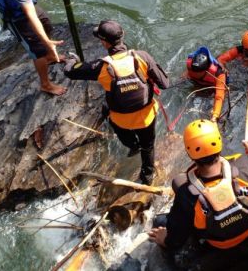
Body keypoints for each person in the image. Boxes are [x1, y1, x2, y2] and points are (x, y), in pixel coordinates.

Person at [148, 119, 248, 270]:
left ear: (190, 153)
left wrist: (166, 240)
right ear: (219, 143)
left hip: (220, 244)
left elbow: (177, 237)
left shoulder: (187, 193)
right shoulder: (245, 165)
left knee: (160, 221)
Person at [64, 20, 170, 185]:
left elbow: (70, 72)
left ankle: (132, 145)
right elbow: (165, 83)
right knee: (148, 146)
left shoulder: (100, 66)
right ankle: (147, 177)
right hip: (146, 116)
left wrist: (72, 60)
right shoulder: (142, 56)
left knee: (109, 112)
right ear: (123, 36)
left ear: (104, 42)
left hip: (121, 119)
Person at [184, 46, 227, 122]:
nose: (195, 74)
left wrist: (215, 115)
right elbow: (185, 75)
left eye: (198, 73)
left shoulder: (218, 74)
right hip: (197, 83)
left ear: (206, 71)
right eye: (194, 71)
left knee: (209, 109)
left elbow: (219, 97)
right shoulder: (190, 64)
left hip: (212, 87)